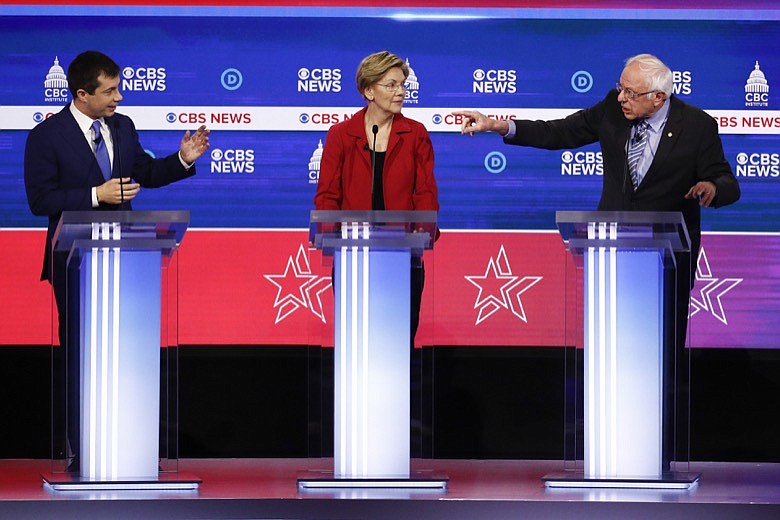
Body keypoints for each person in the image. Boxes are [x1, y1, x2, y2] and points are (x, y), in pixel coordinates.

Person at [453, 53, 740, 468]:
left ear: (659, 97)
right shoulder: (611, 109)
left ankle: (655, 457)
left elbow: (728, 181)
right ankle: (609, 453)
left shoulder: (698, 126)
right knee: (611, 356)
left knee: (661, 362)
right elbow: (560, 132)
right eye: (620, 87)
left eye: (631, 92)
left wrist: (712, 187)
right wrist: (499, 125)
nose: (621, 97)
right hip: (613, 258)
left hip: (667, 264)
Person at [24, 50, 210, 472]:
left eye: (119, 88)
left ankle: (129, 444)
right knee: (81, 353)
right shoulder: (47, 136)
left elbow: (144, 172)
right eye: (108, 91)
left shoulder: (122, 128)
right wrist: (96, 196)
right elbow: (40, 200)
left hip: (126, 261)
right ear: (81, 94)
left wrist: (182, 159)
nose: (118, 98)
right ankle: (83, 449)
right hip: (73, 263)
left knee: (127, 351)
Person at [313, 50, 439, 457]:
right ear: (368, 90)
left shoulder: (416, 133)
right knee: (356, 345)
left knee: (399, 344)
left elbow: (426, 193)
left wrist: (421, 234)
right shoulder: (341, 135)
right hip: (353, 260)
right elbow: (328, 195)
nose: (400, 91)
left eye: (402, 84)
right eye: (391, 85)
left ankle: (391, 441)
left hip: (403, 258)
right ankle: (355, 439)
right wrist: (332, 239)